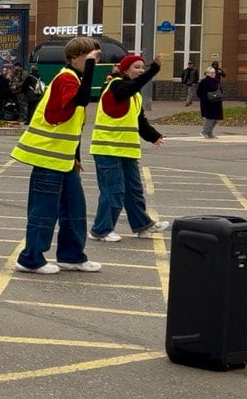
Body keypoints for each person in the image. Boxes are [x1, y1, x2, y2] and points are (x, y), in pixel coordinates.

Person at [10, 36, 103, 275]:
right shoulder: (66, 78)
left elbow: (74, 124)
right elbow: (81, 99)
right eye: (91, 56)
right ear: (75, 57)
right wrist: (91, 67)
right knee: (43, 210)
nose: (96, 60)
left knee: (75, 209)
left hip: (64, 159)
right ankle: (30, 259)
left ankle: (71, 256)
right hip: (48, 158)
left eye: (97, 57)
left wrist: (76, 156)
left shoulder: (73, 78)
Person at [87, 53, 170, 242]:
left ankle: (143, 225)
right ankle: (100, 230)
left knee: (133, 190)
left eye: (142, 67)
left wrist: (153, 136)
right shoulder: (115, 85)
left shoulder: (134, 95)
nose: (141, 70)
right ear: (125, 70)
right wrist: (153, 70)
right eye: (137, 67)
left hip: (127, 150)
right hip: (107, 149)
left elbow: (139, 120)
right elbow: (131, 86)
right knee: (113, 190)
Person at [198, 65, 224, 139]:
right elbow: (199, 92)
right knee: (210, 118)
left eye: (213, 72)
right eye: (211, 72)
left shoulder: (216, 81)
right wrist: (205, 99)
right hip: (208, 103)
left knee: (215, 119)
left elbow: (220, 90)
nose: (212, 74)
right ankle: (205, 132)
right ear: (206, 73)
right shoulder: (204, 82)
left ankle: (210, 132)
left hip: (216, 102)